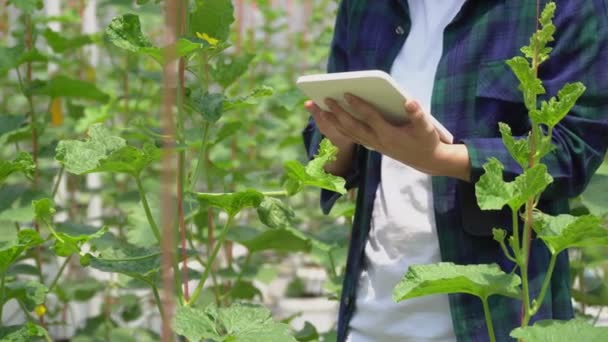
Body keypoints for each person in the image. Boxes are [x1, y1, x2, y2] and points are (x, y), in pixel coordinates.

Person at [302, 1, 608, 341]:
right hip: (369, 319)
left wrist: (437, 158)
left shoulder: (561, 6)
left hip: (494, 322)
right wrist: (340, 134)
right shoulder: (366, 7)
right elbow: (328, 162)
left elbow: (573, 151)